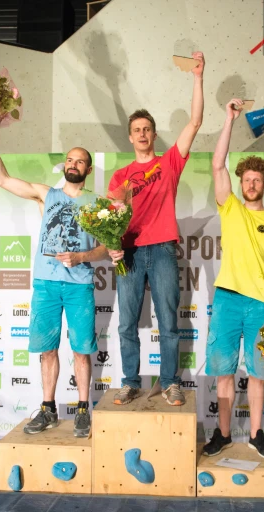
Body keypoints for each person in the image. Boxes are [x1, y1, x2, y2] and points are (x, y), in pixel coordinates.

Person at [0, 118, 108, 437]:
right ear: (64, 165)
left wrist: (81, 257)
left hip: (79, 285)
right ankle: (48, 409)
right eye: (70, 159)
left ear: (88, 170)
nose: (73, 164)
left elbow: (106, 248)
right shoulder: (44, 194)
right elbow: (1, 179)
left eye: (80, 161)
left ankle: (82, 410)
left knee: (81, 350)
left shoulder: (97, 204)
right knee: (46, 349)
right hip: (45, 286)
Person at [107, 51, 205, 406]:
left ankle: (169, 383)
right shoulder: (120, 176)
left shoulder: (169, 163)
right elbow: (111, 221)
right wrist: (115, 244)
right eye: (137, 130)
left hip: (162, 247)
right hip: (131, 254)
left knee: (169, 322)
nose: (143, 134)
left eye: (147, 129)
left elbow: (194, 122)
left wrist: (197, 77)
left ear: (153, 134)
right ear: (130, 138)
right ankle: (130, 381)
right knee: (126, 323)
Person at [202, 99, 264, 458]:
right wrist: (229, 119)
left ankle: (257, 434)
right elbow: (216, 164)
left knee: (259, 374)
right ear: (240, 183)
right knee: (223, 372)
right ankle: (223, 433)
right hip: (226, 299)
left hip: (260, 305)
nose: (252, 184)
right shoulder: (230, 208)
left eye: (257, 180)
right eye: (247, 179)